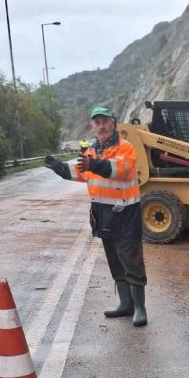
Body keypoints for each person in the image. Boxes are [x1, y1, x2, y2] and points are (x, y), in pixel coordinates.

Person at [45, 106, 148, 327]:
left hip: (125, 214)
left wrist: (95, 164)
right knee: (115, 261)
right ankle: (126, 304)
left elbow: (120, 169)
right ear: (92, 125)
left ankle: (140, 307)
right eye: (96, 121)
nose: (101, 125)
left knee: (132, 262)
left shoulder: (125, 148)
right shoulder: (92, 151)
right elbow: (82, 172)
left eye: (104, 120)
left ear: (113, 122)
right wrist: (60, 168)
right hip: (103, 214)